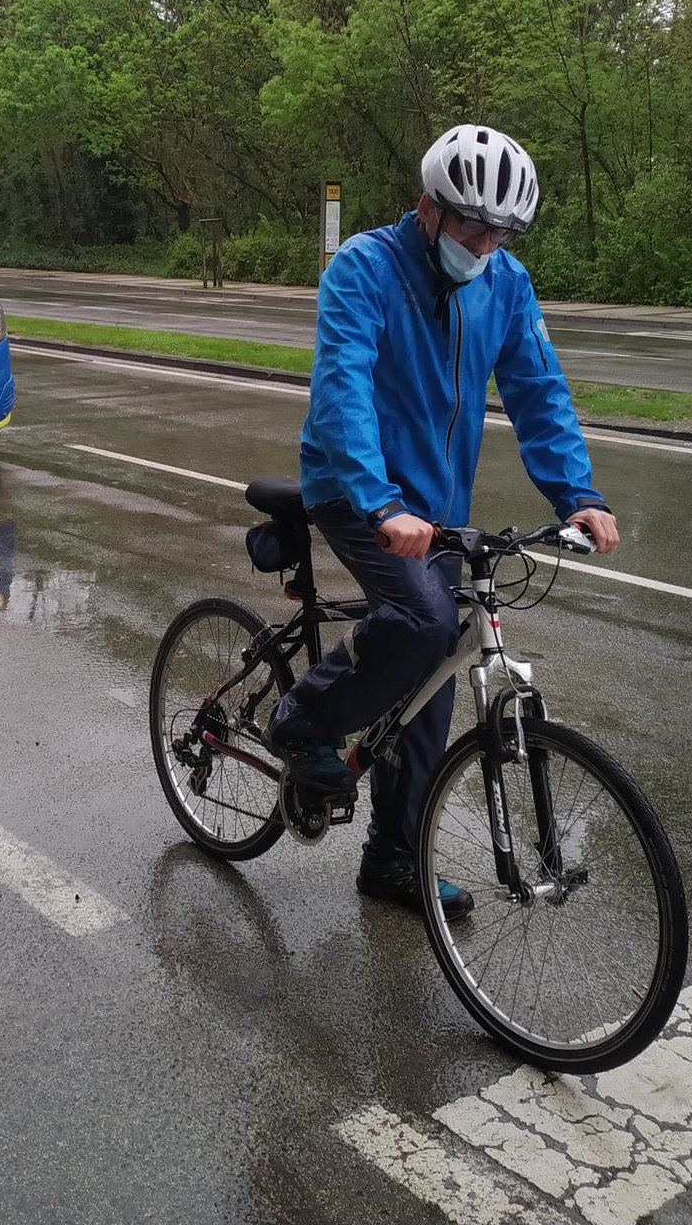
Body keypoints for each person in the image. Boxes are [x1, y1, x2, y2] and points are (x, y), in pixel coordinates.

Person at [266, 123, 620, 919]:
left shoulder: (506, 283)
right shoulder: (365, 268)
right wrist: (380, 499)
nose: (486, 241)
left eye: (502, 230)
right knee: (424, 620)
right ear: (427, 207)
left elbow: (538, 391)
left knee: (435, 677)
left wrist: (578, 495)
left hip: (436, 511)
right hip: (355, 490)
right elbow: (343, 388)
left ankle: (394, 858)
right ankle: (301, 719)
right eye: (471, 223)